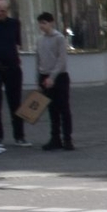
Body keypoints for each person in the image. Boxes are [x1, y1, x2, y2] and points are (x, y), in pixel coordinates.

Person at [33, 12, 71, 151]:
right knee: (52, 109)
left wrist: (52, 77)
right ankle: (55, 138)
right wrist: (39, 80)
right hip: (44, 75)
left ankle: (67, 139)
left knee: (63, 109)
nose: (42, 26)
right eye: (40, 23)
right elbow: (38, 60)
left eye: (44, 23)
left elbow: (61, 60)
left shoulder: (59, 38)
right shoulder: (39, 40)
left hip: (59, 77)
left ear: (51, 23)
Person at [0, 0, 17, 152]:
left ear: (7, 11)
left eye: (3, 10)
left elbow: (16, 43)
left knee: (15, 102)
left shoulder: (14, 24)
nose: (0, 13)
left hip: (12, 67)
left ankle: (19, 136)